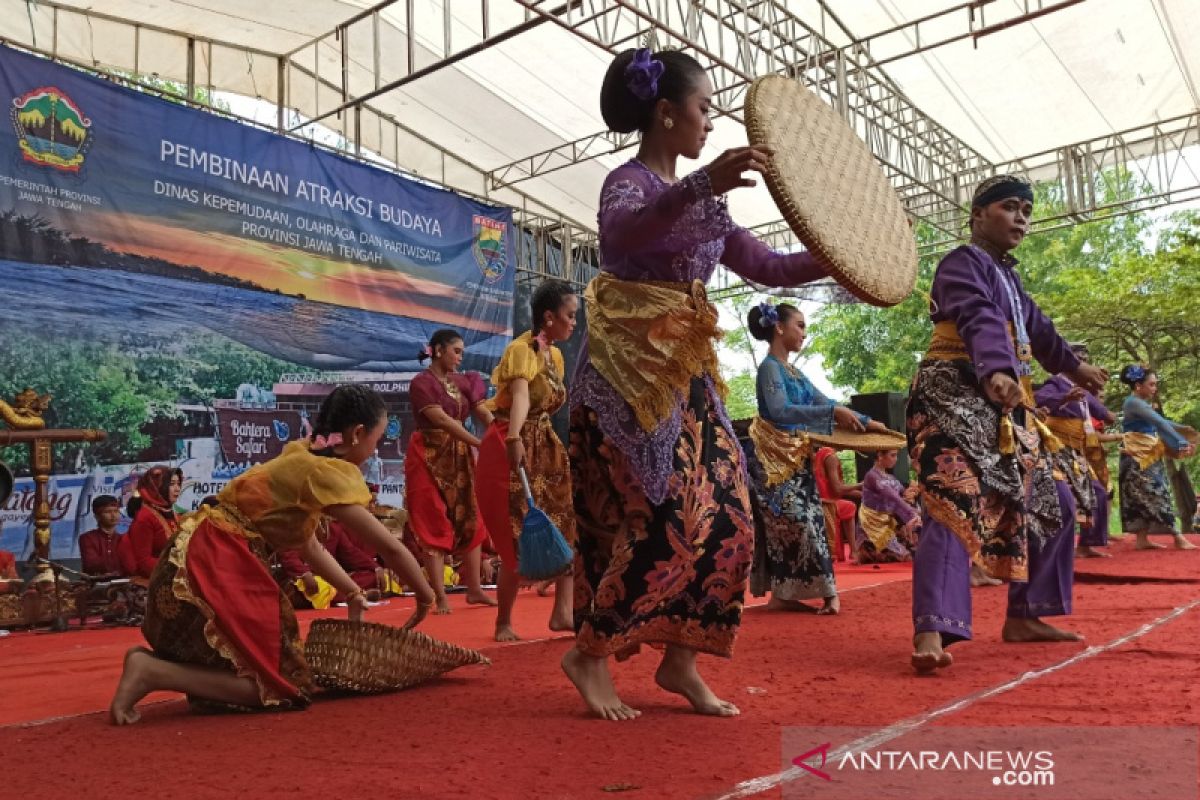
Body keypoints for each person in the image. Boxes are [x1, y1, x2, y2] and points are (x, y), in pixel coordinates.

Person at [564, 47, 830, 720]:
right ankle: (590, 656)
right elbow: (624, 234)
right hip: (629, 379)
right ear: (665, 112)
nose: (711, 121)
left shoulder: (706, 205)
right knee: (662, 515)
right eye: (705, 107)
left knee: (734, 522)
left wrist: (835, 257)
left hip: (689, 377)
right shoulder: (627, 184)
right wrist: (701, 184)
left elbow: (767, 265)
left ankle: (680, 659)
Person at [109, 385, 438, 725]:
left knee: (273, 674)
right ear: (357, 434)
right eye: (377, 439)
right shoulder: (325, 471)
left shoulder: (301, 455)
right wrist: (428, 595)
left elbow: (308, 544)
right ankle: (151, 672)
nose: (374, 450)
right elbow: (390, 547)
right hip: (219, 559)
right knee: (282, 688)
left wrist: (352, 591)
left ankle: (157, 670)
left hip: (199, 550)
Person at [906, 174, 1108, 675]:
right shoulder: (961, 263)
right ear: (978, 216)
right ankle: (931, 629)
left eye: (1027, 210)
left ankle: (1028, 615)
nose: (1022, 217)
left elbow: (1041, 333)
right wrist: (996, 367)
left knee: (1054, 501)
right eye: (1010, 207)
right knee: (952, 498)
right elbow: (977, 316)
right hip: (952, 393)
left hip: (1004, 406)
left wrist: (1075, 368)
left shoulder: (1012, 280)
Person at [745, 301, 884, 614]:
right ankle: (787, 594)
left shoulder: (794, 372)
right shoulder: (770, 368)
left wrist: (867, 422)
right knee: (789, 524)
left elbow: (826, 402)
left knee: (811, 522)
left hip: (797, 459)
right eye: (800, 325)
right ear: (779, 327)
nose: (804, 333)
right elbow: (780, 411)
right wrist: (834, 412)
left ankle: (814, 593)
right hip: (774, 462)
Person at [476, 279, 577, 642]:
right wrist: (515, 437)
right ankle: (503, 620)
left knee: (566, 523)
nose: (574, 323)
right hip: (511, 443)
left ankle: (563, 612)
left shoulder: (557, 356)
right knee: (516, 534)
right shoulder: (521, 350)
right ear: (548, 317)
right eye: (570, 315)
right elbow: (519, 397)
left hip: (545, 444)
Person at [405, 328, 497, 613]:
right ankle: (440, 596)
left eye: (461, 353)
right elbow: (442, 420)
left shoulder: (464, 381)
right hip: (428, 454)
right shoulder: (421, 384)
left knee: (470, 513)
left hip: (459, 454)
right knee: (433, 516)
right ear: (440, 349)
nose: (460, 357)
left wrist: (501, 433)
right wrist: (480, 442)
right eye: (456, 351)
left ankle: (474, 591)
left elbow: (482, 411)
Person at [1035, 344, 1117, 558]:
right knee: (1065, 495)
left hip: (1077, 451)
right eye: (1079, 359)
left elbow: (1104, 413)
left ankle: (1086, 544)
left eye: (1085, 360)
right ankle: (1052, 545)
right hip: (1056, 449)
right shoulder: (1055, 383)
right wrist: (1064, 398)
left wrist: (1111, 415)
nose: (1084, 363)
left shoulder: (1085, 392)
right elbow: (1038, 399)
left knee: (1098, 492)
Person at [1116, 365, 1196, 550]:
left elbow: (1163, 422)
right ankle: (1177, 537)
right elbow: (1158, 421)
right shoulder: (1133, 403)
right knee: (1156, 493)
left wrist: (1181, 429)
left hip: (1147, 455)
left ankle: (1142, 540)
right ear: (1138, 386)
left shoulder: (1139, 403)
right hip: (1137, 459)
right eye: (1151, 385)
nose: (1154, 388)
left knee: (1147, 495)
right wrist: (1180, 441)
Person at [278, 519, 383, 608]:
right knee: (316, 586)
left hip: (330, 578)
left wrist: (375, 567)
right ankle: (358, 594)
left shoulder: (333, 528)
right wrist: (304, 574)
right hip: (306, 578)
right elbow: (288, 555)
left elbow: (351, 553)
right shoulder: (295, 525)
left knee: (371, 577)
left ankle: (353, 593)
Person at [117, 466, 182, 579]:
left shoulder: (175, 515)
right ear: (156, 487)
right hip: (155, 581)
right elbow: (143, 561)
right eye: (171, 484)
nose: (177, 489)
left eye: (178, 484)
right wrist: (176, 572)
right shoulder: (145, 518)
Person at [856, 449, 920, 563]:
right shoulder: (872, 476)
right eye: (893, 455)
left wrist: (912, 491)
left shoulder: (891, 478)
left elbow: (902, 493)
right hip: (873, 525)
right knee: (906, 558)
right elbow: (893, 497)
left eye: (896, 455)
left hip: (889, 522)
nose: (896, 459)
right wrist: (911, 511)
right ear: (880, 456)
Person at [812, 446, 861, 561]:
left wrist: (865, 493)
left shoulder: (821, 453)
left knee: (849, 506)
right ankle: (853, 551)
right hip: (826, 502)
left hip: (821, 498)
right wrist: (861, 485)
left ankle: (853, 550)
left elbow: (837, 489)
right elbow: (838, 489)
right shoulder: (831, 457)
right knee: (850, 507)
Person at [79, 495, 125, 576]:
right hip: (94, 584)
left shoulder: (123, 539)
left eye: (116, 511)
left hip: (121, 582)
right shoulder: (87, 538)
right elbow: (91, 564)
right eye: (108, 512)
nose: (113, 515)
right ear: (97, 516)